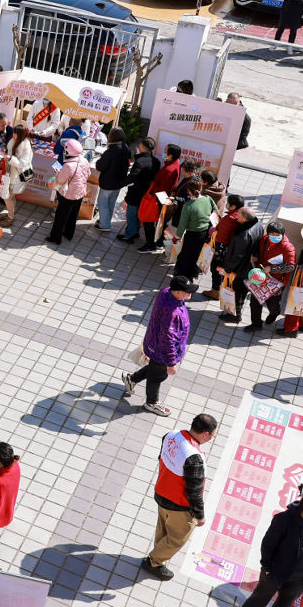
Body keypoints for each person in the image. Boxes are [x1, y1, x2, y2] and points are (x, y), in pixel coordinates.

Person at [142, 413, 218, 580]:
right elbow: (194, 492)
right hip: (179, 505)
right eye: (213, 435)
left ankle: (158, 553)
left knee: (163, 528)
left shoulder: (172, 435)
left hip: (161, 492)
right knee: (176, 539)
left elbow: (161, 457)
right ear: (206, 434)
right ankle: (154, 562)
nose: (211, 438)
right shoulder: (194, 458)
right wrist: (200, 516)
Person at [124, 277, 194, 417]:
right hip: (161, 350)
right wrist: (171, 363)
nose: (190, 294)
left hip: (154, 343)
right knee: (157, 376)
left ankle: (132, 379)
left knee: (155, 369)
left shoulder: (166, 292)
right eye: (187, 291)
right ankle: (151, 403)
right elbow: (168, 339)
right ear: (178, 292)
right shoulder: (172, 313)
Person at [244, 221, 297, 332]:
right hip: (260, 277)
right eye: (272, 234)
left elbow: (290, 266)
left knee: (272, 304)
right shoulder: (264, 240)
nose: (275, 236)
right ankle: (256, 324)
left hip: (276, 281)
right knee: (254, 302)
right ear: (268, 234)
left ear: (282, 234)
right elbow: (259, 252)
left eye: (278, 234)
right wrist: (256, 257)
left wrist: (271, 268)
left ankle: (274, 313)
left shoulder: (288, 247)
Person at [134, 144, 183, 253]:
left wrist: (152, 191)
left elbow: (161, 188)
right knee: (160, 223)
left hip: (157, 199)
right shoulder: (176, 165)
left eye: (165, 151)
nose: (163, 153)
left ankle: (150, 245)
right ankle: (159, 242)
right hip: (162, 198)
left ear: (170, 155)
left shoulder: (168, 170)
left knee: (148, 221)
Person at [166, 178, 214, 284]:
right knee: (196, 255)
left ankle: (181, 276)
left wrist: (177, 237)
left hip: (192, 235)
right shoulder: (208, 199)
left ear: (189, 190)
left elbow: (182, 225)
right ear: (201, 188)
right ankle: (192, 275)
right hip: (205, 233)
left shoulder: (188, 206)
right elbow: (215, 212)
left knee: (185, 256)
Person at [116, 137, 161, 244]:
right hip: (147, 193)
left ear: (142, 147)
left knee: (131, 214)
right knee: (137, 213)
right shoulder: (156, 162)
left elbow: (133, 176)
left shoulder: (140, 161)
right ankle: (135, 232)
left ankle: (129, 235)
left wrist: (121, 183)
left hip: (136, 192)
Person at [0, 123, 36, 226]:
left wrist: (10, 158)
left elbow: (23, 164)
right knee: (10, 196)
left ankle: (11, 216)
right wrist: (4, 154)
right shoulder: (13, 141)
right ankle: (10, 213)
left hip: (18, 176)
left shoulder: (26, 146)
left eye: (15, 133)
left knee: (7, 196)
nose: (13, 135)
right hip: (10, 174)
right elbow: (9, 153)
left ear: (20, 134)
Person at [93, 128, 131, 232]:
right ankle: (105, 221)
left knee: (103, 203)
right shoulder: (126, 148)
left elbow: (100, 166)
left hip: (108, 182)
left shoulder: (110, 151)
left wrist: (99, 160)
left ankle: (104, 225)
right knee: (111, 203)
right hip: (119, 182)